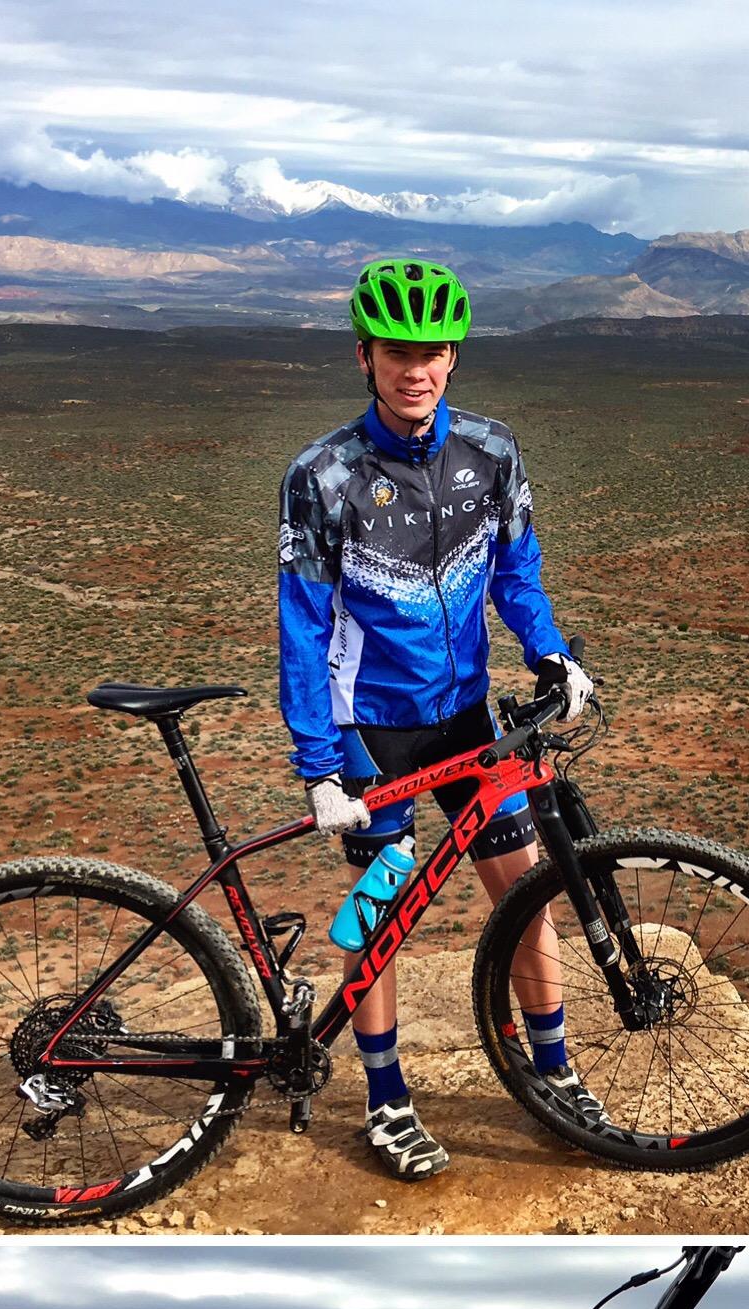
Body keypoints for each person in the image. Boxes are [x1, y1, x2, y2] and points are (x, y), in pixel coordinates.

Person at [277, 256, 596, 1180]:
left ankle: (554, 1071)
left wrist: (550, 650)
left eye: (431, 351)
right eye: (395, 352)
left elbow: (515, 574)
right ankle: (384, 1102)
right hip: (370, 729)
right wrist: (319, 766)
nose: (414, 368)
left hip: (466, 722)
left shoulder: (492, 453)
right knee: (379, 922)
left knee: (527, 898)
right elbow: (303, 627)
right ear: (366, 357)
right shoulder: (323, 475)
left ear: (452, 357)